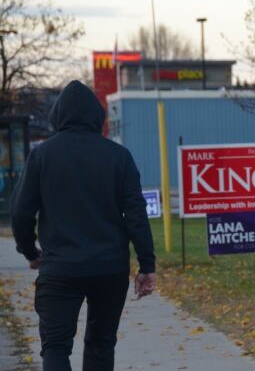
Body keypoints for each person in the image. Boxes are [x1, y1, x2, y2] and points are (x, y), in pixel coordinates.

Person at [10, 80, 156, 371]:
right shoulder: (119, 156)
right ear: (96, 116)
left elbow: (20, 213)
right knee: (101, 344)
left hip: (59, 269)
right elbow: (136, 214)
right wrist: (146, 265)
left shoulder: (41, 156)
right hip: (109, 268)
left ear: (57, 116)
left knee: (55, 348)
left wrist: (31, 253)